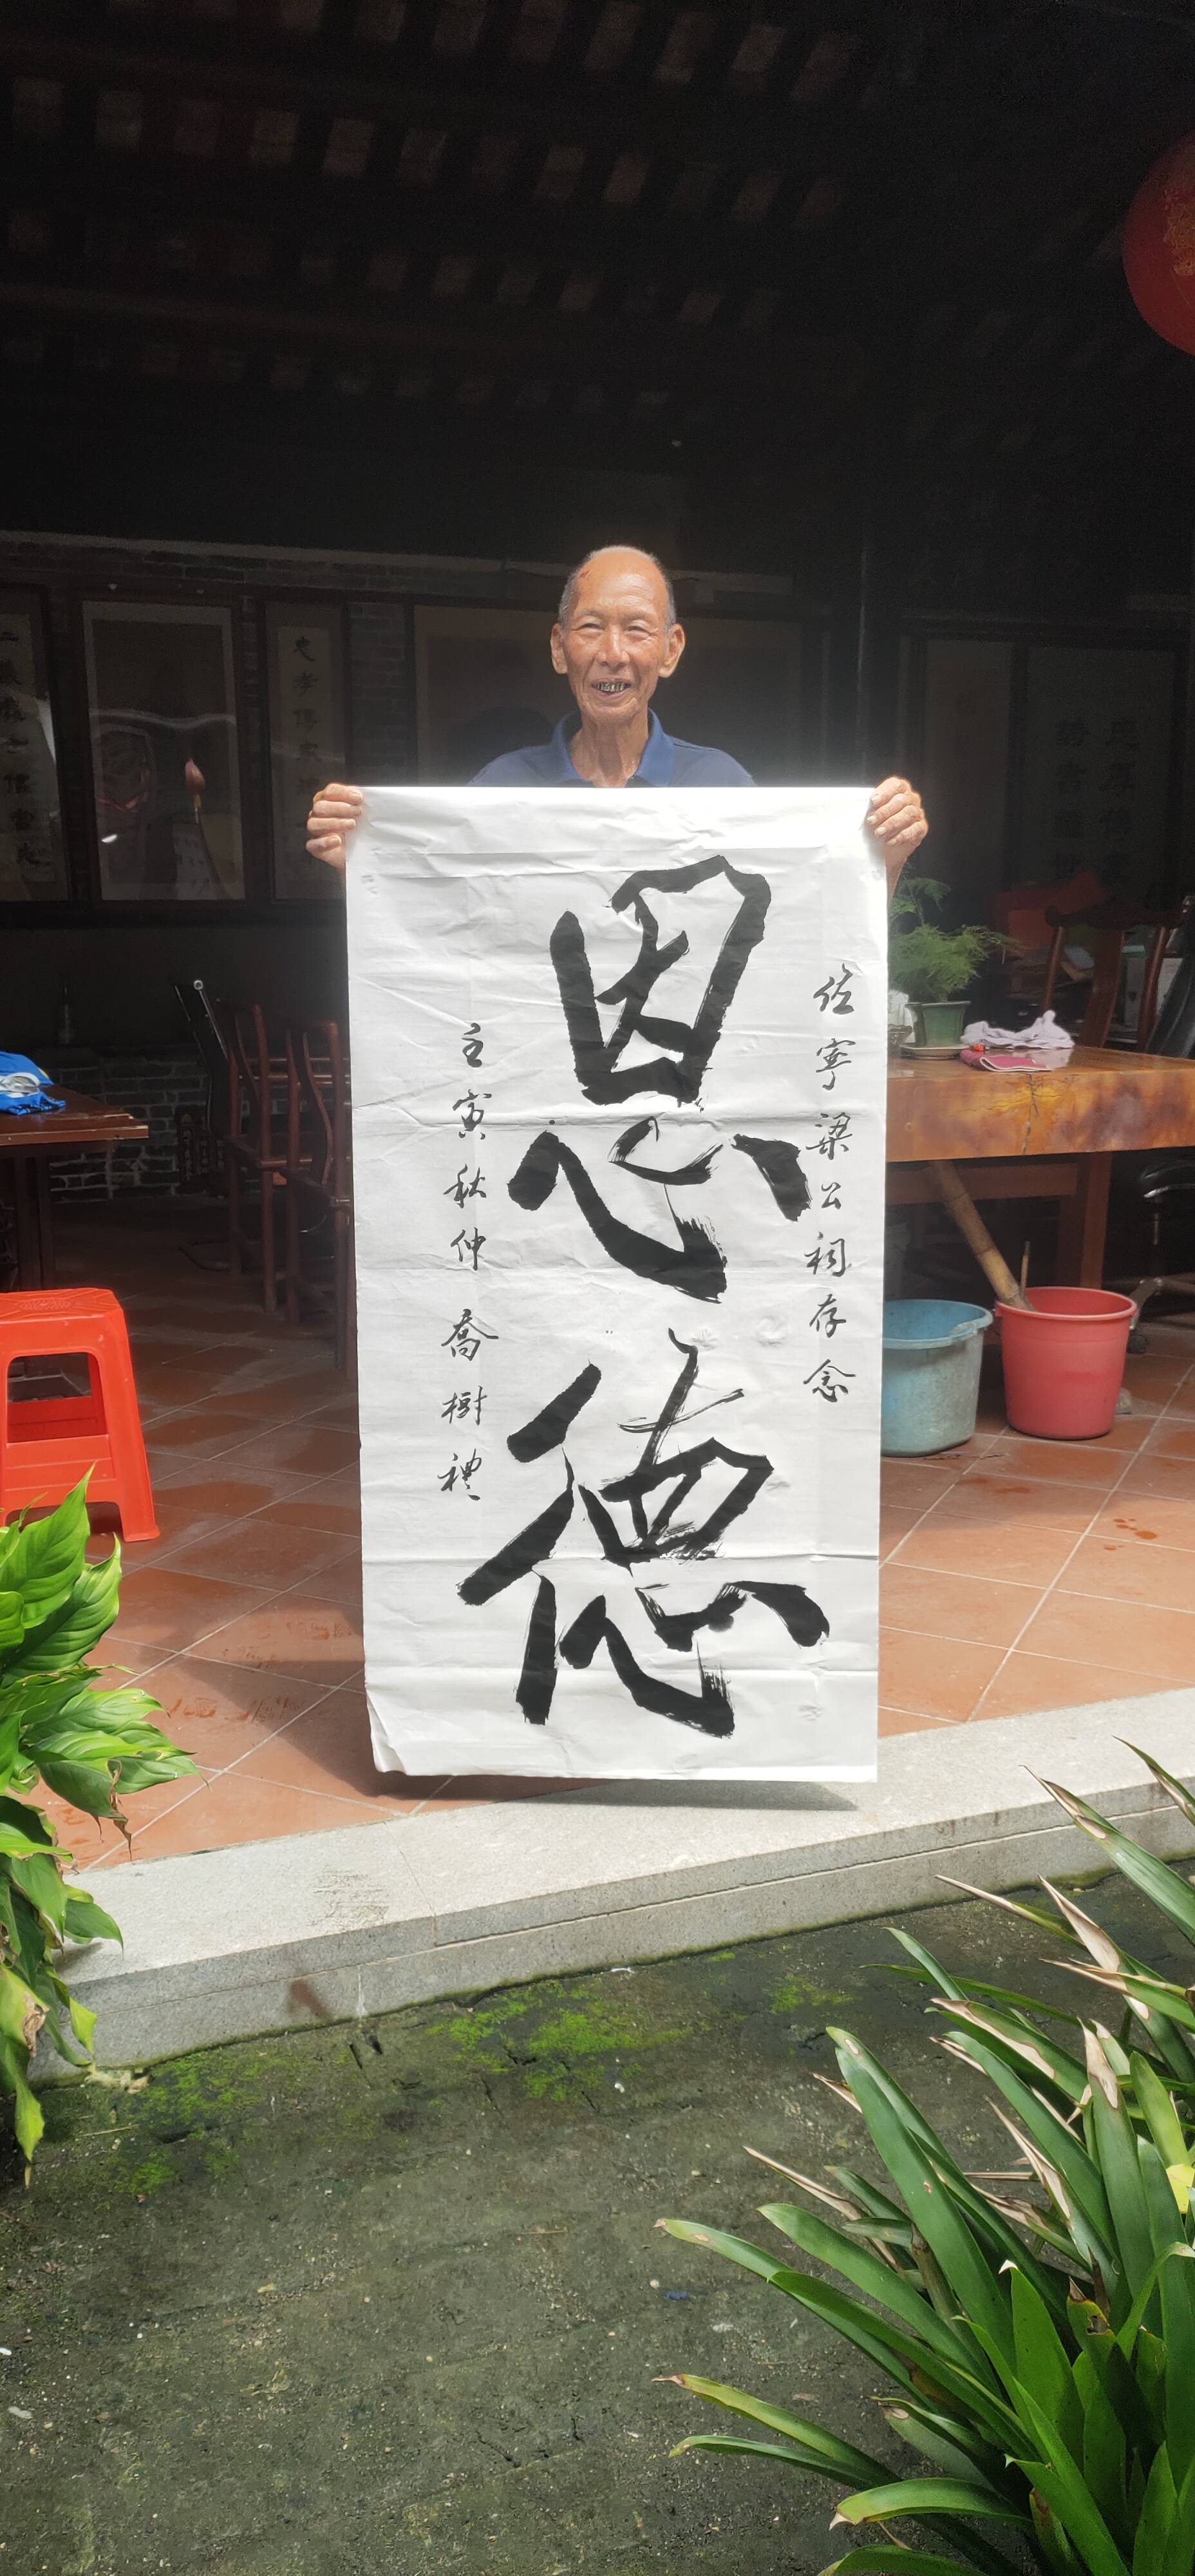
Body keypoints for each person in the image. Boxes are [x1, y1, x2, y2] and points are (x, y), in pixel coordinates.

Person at [305, 544, 928, 886]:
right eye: (590, 628)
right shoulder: (501, 788)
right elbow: (441, 920)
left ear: (671, 651)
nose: (613, 654)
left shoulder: (722, 785)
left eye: (637, 630)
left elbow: (798, 928)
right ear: (559, 648)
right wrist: (362, 865)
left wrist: (886, 855)